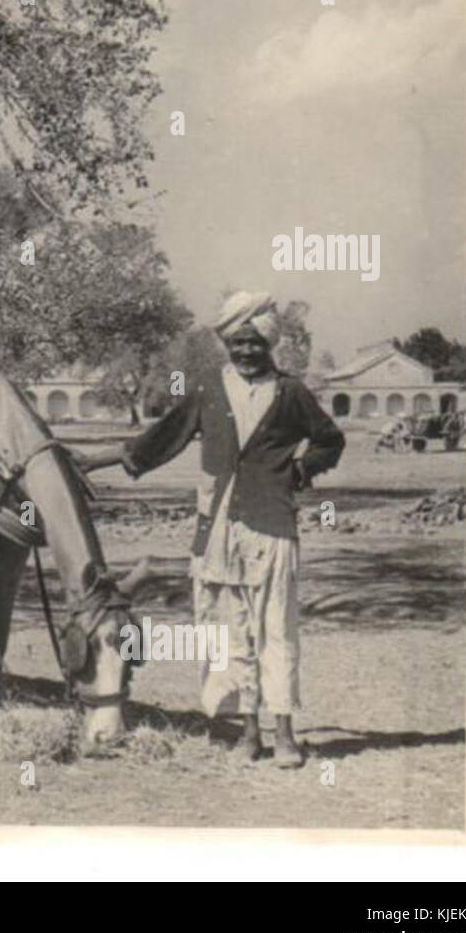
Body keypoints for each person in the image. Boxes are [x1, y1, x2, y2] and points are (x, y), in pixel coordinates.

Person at [114, 292, 345, 766]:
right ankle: (248, 733)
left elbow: (330, 439)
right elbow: (167, 436)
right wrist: (114, 460)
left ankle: (284, 734)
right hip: (217, 529)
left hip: (271, 526)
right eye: (237, 343)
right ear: (227, 344)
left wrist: (301, 471)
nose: (245, 352)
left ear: (269, 345)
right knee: (231, 631)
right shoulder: (208, 389)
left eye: (254, 344)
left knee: (277, 630)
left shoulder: (291, 392)